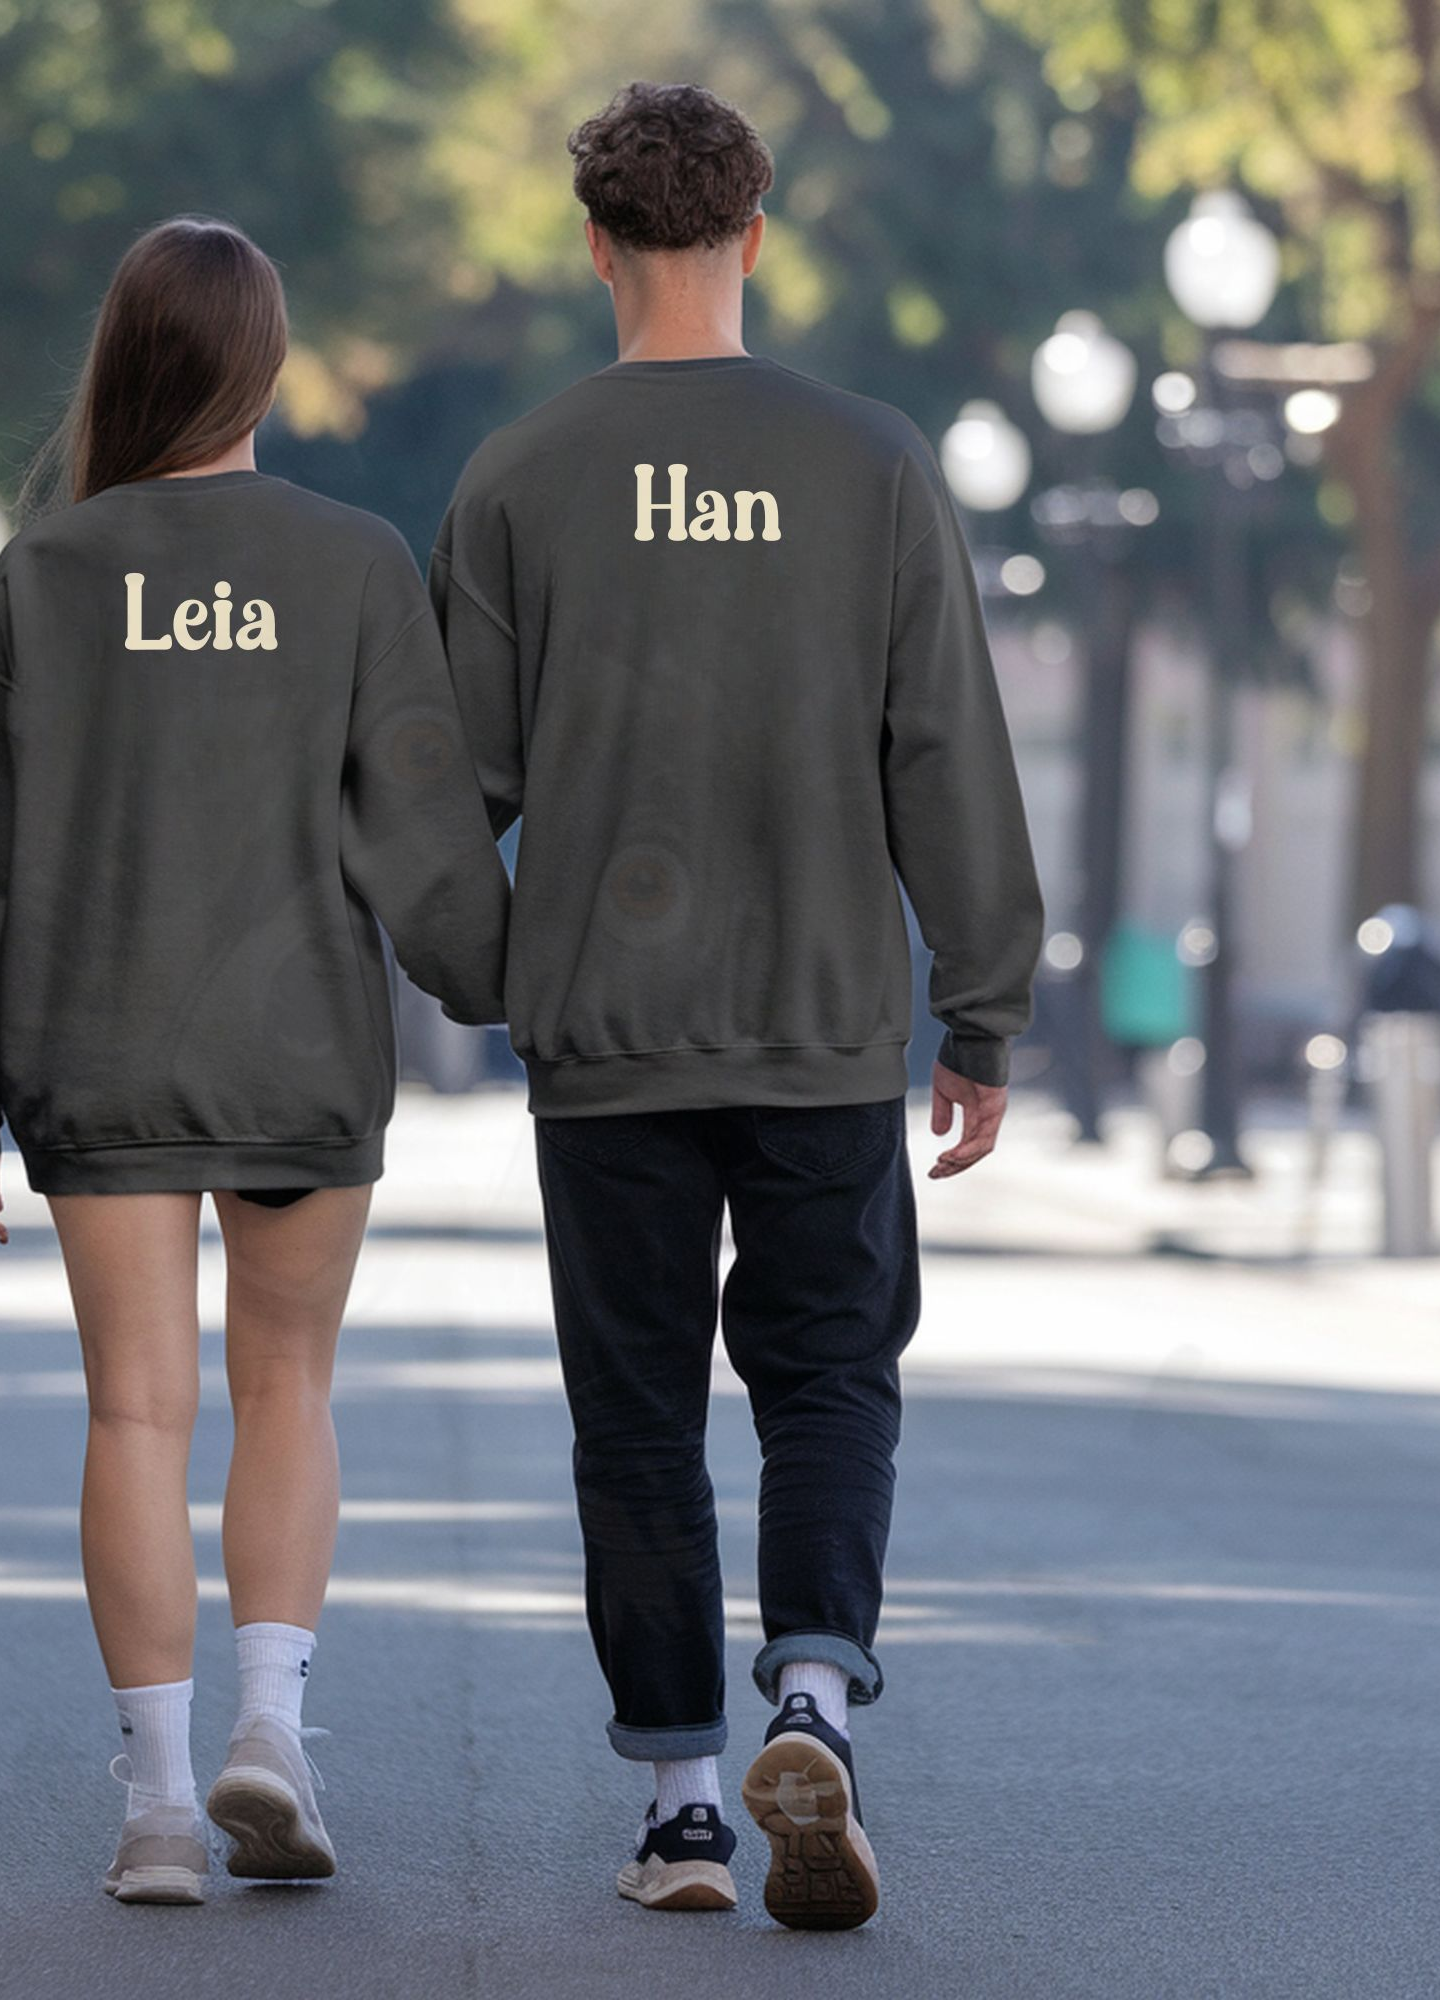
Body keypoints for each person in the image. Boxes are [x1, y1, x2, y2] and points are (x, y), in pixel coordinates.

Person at [431, 83, 1044, 1927]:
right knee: (830, 1381)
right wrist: (986, 1006)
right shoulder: (870, 464)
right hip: (822, 1022)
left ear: (597, 246)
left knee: (634, 1418)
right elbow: (942, 750)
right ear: (755, 238)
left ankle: (685, 1809)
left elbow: (446, 793)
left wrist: (496, 973)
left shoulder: (520, 478)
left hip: (606, 1041)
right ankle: (815, 1693)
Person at [0, 216, 510, 1907]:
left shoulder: (47, 574)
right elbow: (427, 844)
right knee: (285, 1389)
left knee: (135, 1412)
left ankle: (160, 1803)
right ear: (266, 367)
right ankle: (271, 1731)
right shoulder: (354, 563)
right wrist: (523, 986)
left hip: (99, 1045)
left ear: (127, 356)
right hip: (302, 1045)